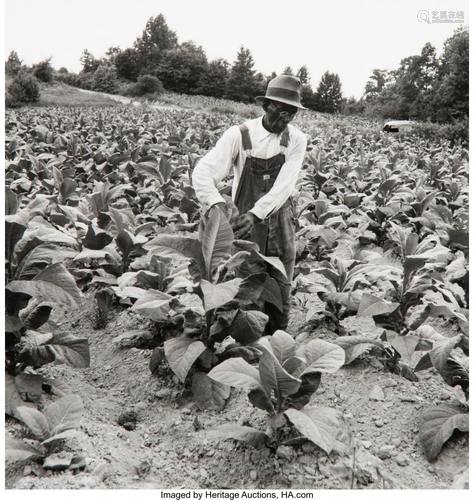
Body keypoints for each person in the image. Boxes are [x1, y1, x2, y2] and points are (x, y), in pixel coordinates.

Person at [192, 75, 307, 333]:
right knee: (248, 284)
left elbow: (284, 186)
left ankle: (278, 339)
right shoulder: (240, 135)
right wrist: (215, 203)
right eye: (281, 111)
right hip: (244, 223)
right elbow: (203, 173)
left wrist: (256, 214)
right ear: (266, 105)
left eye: (292, 113)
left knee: (281, 282)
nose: (285, 119)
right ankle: (251, 346)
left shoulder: (297, 140)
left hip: (281, 219)